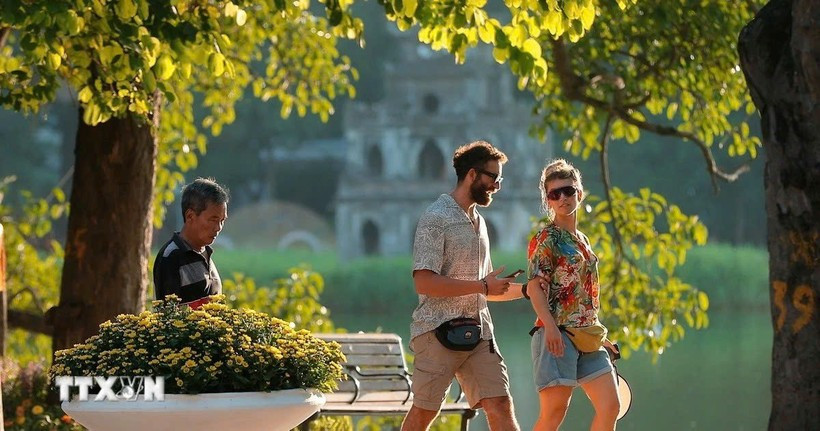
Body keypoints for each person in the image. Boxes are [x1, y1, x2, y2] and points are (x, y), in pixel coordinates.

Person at [403, 140, 546, 431]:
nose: (497, 185)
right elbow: (423, 282)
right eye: (493, 177)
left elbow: (489, 290)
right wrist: (482, 286)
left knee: (500, 404)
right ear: (472, 174)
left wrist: (528, 290)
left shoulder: (478, 222)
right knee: (424, 413)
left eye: (499, 178)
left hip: (479, 334)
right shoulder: (436, 218)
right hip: (436, 332)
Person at [525, 159, 620, 431]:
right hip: (556, 335)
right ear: (548, 201)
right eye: (555, 194)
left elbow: (582, 293)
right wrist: (552, 328)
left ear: (579, 192)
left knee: (610, 406)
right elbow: (534, 287)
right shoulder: (546, 239)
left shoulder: (582, 239)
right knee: (554, 413)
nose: (563, 198)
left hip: (587, 335)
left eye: (568, 190)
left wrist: (600, 336)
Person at [154, 177, 229, 308]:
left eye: (222, 221)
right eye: (213, 219)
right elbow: (168, 318)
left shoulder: (205, 252)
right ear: (190, 216)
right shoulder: (171, 257)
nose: (218, 227)